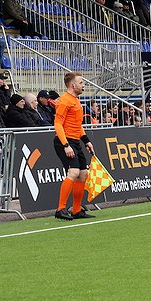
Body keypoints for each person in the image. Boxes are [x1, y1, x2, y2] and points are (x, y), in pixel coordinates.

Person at [54, 72, 94, 220]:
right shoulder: (65, 101)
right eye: (81, 82)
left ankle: (76, 210)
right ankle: (60, 209)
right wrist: (65, 145)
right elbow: (57, 124)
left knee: (83, 174)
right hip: (65, 141)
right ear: (73, 85)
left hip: (75, 141)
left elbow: (78, 125)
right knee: (74, 172)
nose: (83, 85)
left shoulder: (75, 100)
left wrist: (86, 141)